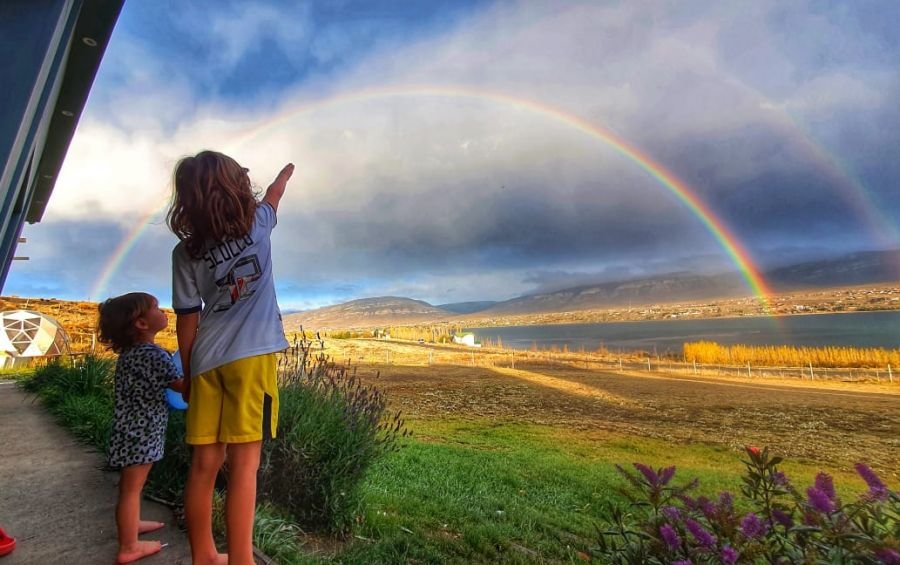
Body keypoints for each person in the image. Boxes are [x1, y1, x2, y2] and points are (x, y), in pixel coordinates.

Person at [168, 151, 293, 565]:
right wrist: (281, 179)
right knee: (244, 467)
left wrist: (187, 374)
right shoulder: (258, 224)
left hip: (205, 362)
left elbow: (187, 320)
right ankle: (241, 559)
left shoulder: (184, 254)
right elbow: (273, 197)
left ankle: (204, 555)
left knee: (205, 463)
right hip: (251, 360)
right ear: (236, 187)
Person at [97, 292, 184, 564]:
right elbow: (182, 388)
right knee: (131, 489)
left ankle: (132, 524)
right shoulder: (152, 355)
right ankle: (129, 546)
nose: (164, 311)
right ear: (141, 324)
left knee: (130, 486)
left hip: (130, 431)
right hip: (141, 434)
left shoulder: (131, 354)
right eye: (156, 308)